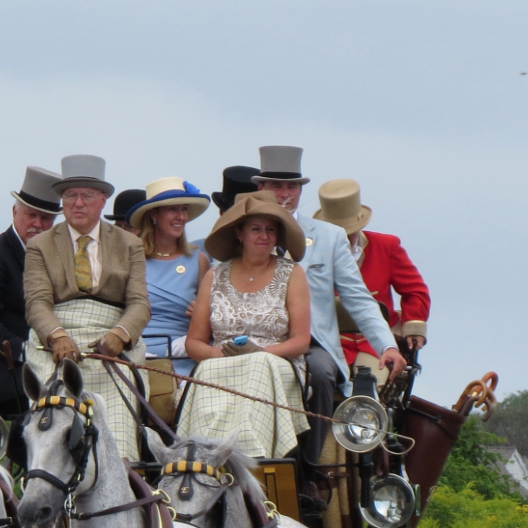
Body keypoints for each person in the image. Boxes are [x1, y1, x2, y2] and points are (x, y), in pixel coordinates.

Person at [252, 146, 405, 461]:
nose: (284, 193)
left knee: (321, 375)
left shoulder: (329, 236)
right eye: (275, 186)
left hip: (312, 340)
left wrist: (387, 346)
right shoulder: (244, 233)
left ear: (300, 190)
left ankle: (307, 470)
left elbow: (359, 298)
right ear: (260, 189)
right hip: (253, 336)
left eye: (292, 186)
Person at [23, 154, 149, 460]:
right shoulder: (40, 245)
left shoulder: (129, 244)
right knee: (52, 420)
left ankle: (122, 475)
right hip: (55, 341)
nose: (77, 203)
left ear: (103, 200)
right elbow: (37, 301)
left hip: (111, 342)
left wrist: (120, 335)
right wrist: (56, 335)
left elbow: (139, 303)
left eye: (86, 195)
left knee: (117, 429)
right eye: (70, 195)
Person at [176, 192, 312, 458]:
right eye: (256, 229)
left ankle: (252, 454)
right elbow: (194, 343)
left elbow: (301, 341)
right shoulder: (215, 275)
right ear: (240, 233)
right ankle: (202, 455)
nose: (264, 236)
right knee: (206, 369)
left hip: (275, 362)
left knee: (257, 366)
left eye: (271, 230)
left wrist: (259, 353)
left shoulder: (292, 273)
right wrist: (219, 355)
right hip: (222, 360)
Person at [0, 166, 61, 418]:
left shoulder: (59, 261)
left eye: (46, 218)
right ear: (15, 211)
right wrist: (33, 352)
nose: (38, 224)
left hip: (46, 386)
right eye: (31, 215)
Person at [312, 178, 430, 385]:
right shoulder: (310, 252)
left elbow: (416, 291)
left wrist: (413, 324)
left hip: (374, 344)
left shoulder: (386, 246)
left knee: (369, 387)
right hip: (328, 343)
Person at [125, 177, 211, 375]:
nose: (181, 216)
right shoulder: (132, 259)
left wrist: (203, 312)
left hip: (181, 355)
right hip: (134, 354)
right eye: (173, 209)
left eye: (184, 209)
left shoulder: (199, 260)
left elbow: (211, 318)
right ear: (154, 214)